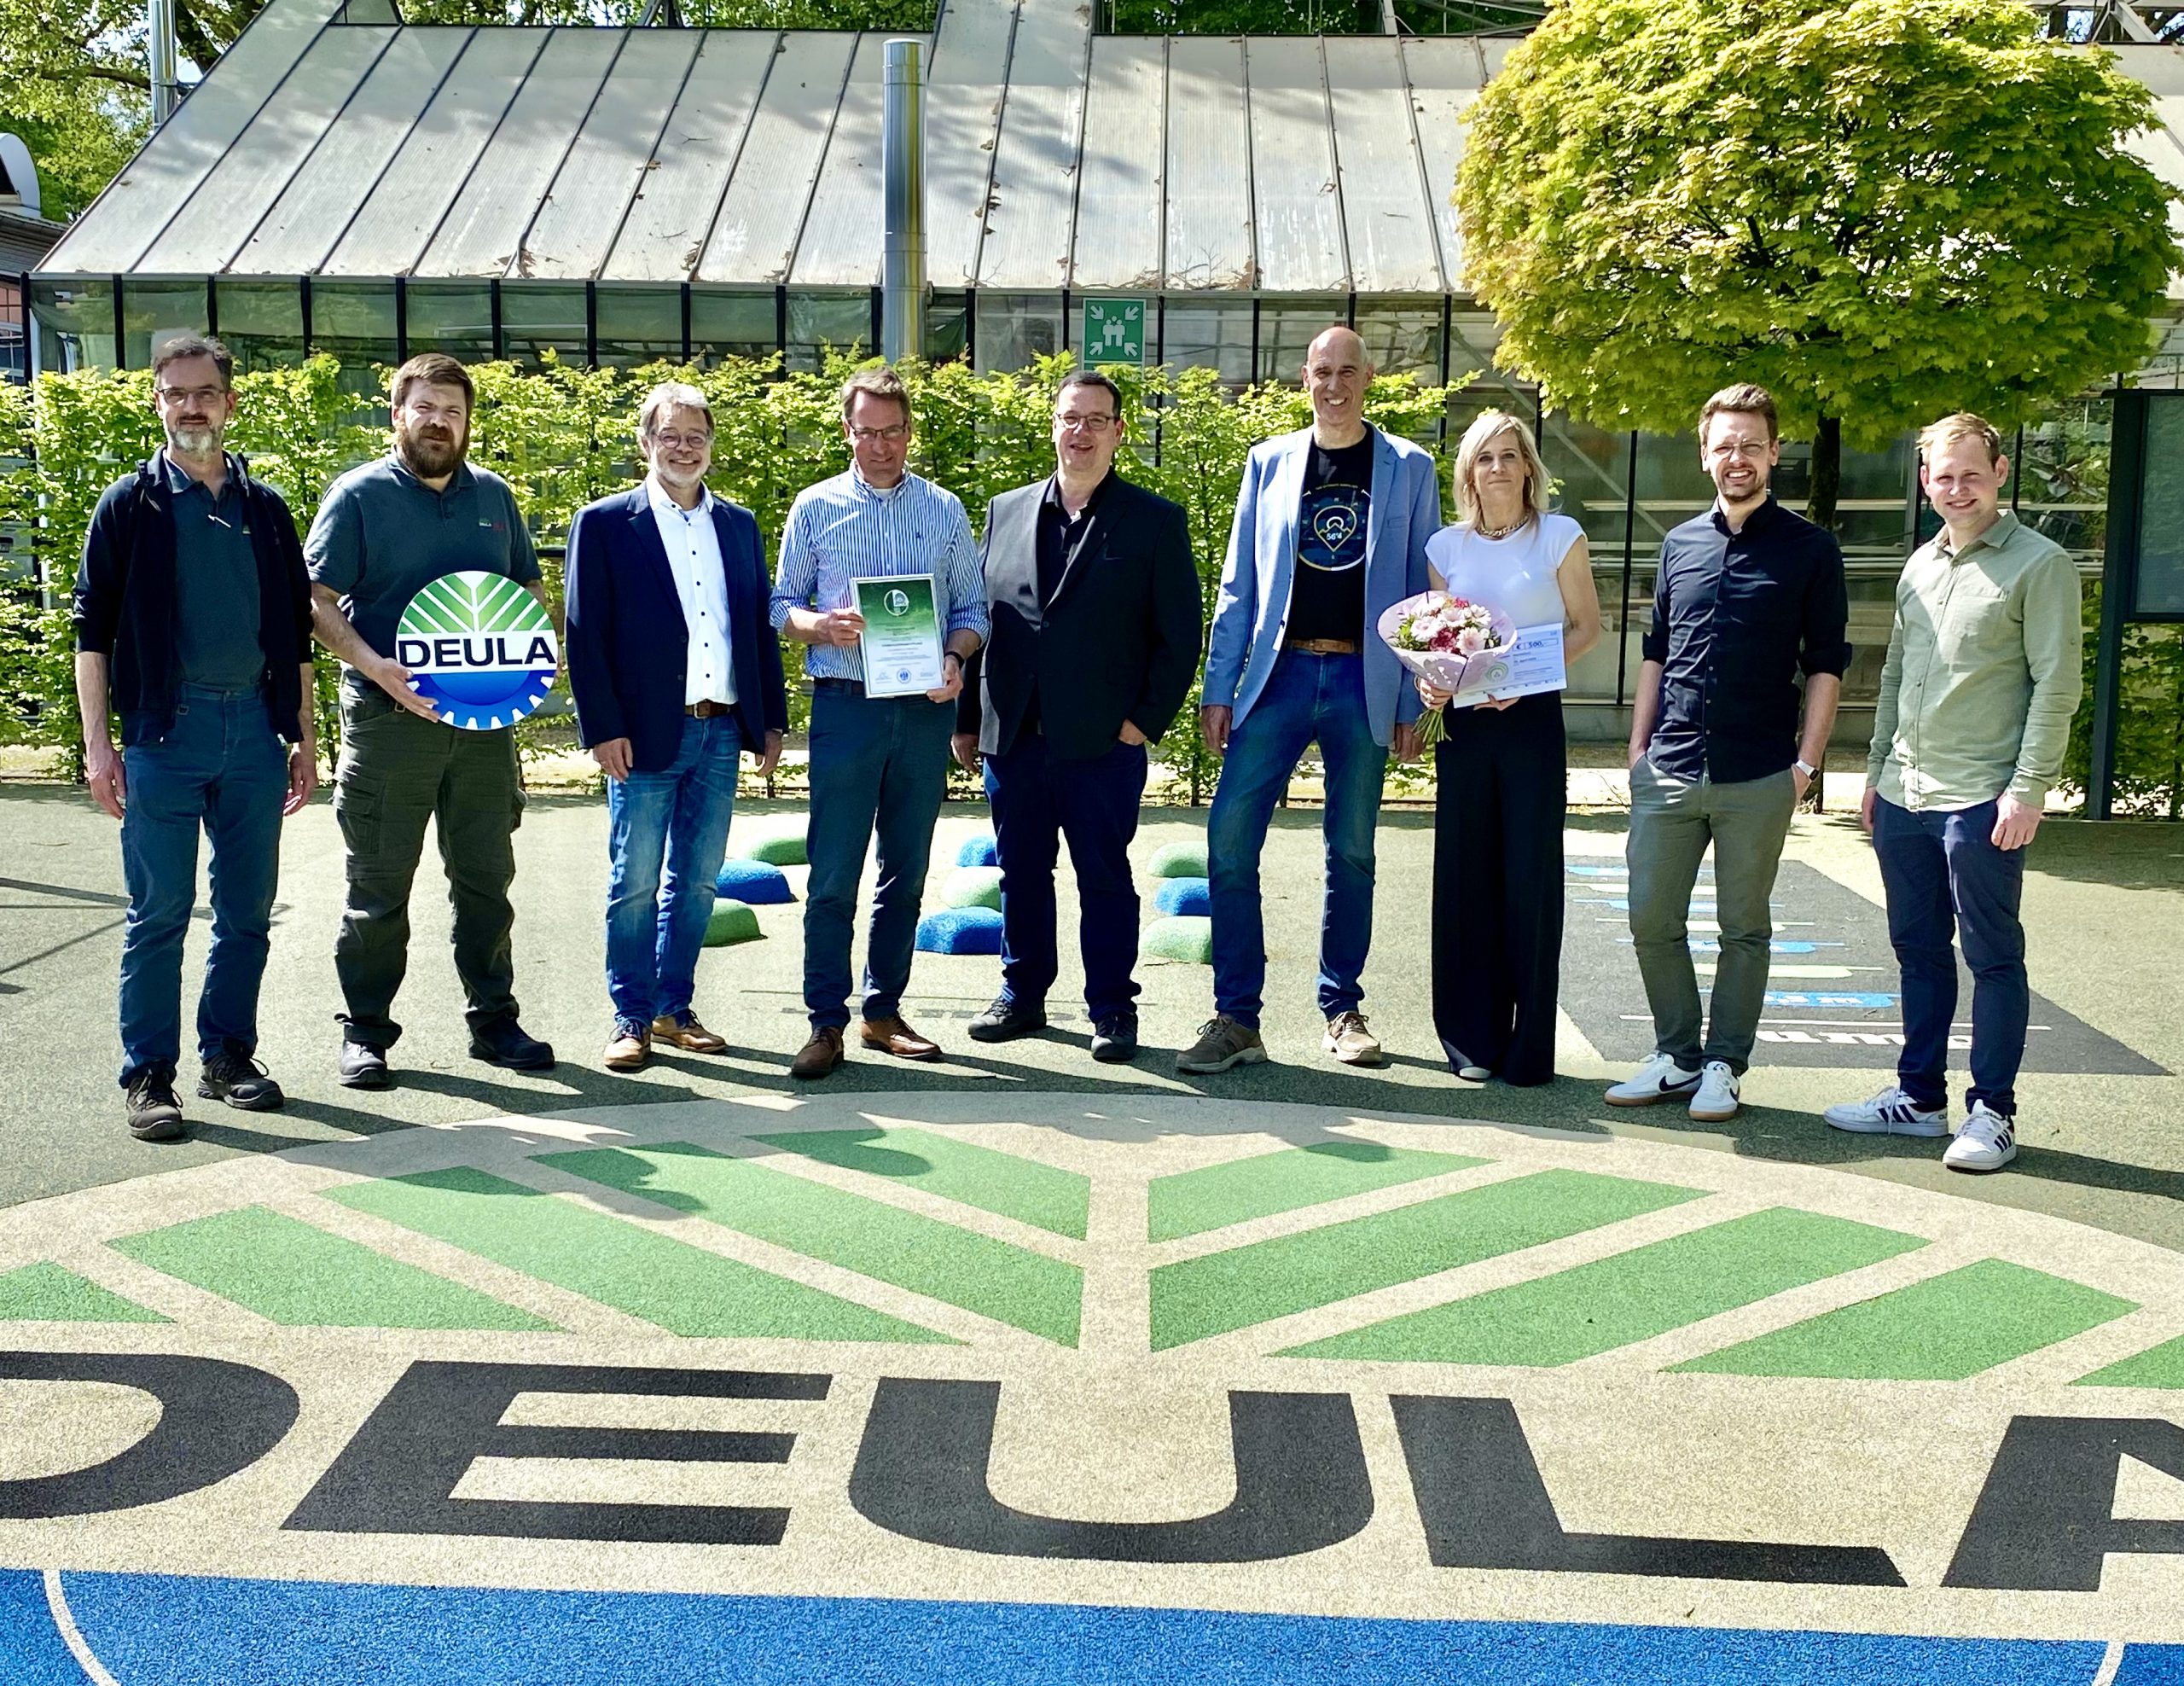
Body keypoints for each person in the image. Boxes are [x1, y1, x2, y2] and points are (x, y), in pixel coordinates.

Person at [72, 334, 317, 1141]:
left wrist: (303, 737)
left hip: (252, 733)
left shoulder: (265, 508)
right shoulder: (129, 504)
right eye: (175, 393)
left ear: (229, 402)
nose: (191, 406)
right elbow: (92, 634)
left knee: (246, 912)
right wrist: (100, 747)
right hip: (163, 736)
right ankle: (149, 1076)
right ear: (158, 404)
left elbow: (295, 634)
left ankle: (228, 1058)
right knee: (159, 915)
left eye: (205, 392)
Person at [1824, 413, 2082, 1172]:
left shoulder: (2042, 565)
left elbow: (2056, 685)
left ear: (2000, 473)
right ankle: (1919, 1099)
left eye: (1972, 474)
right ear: (1924, 482)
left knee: (1993, 956)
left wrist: (2028, 788)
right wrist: (1875, 773)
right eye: (1944, 476)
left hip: (1983, 797)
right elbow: (1896, 675)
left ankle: (1992, 1113)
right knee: (1917, 950)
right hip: (1905, 793)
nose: (1957, 489)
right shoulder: (1919, 565)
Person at [1179, 324, 1438, 1076]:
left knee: (1352, 850)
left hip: (1365, 678)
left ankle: (1341, 1008)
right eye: (1323, 371)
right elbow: (1239, 585)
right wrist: (1219, 687)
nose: (1335, 384)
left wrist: (1414, 699)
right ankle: (1237, 1018)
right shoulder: (1269, 462)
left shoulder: (1410, 467)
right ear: (1305, 378)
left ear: (1368, 379)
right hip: (1278, 675)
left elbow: (1422, 591)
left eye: (1348, 371)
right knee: (1229, 842)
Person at [305, 352, 556, 1089]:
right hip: (390, 722)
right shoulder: (359, 496)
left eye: (452, 410)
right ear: (397, 415)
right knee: (379, 886)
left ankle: (495, 1022)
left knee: (486, 881)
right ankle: (366, 1031)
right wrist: (373, 664)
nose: (439, 422)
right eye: (425, 408)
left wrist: (524, 655)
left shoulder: (494, 496)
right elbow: (315, 599)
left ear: (468, 421)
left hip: (482, 729)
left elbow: (527, 587)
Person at [1607, 382, 1850, 1123]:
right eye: (1724, 446)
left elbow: (1826, 664)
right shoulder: (1678, 545)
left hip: (1760, 772)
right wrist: (1639, 748)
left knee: (1744, 929)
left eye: (1751, 445)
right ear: (1705, 455)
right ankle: (1677, 1055)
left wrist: (1805, 766)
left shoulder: (1811, 549)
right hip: (1669, 768)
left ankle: (1724, 1064)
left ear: (1774, 453)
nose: (1737, 458)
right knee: (1651, 919)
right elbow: (1657, 652)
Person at [951, 370, 1201, 1064]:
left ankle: (1113, 1007)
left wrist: (1143, 722)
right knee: (1021, 873)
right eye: (1070, 418)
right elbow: (980, 619)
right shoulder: (1004, 511)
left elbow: (1179, 636)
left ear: (1118, 431)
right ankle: (1022, 993)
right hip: (1014, 737)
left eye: (1096, 420)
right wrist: (968, 720)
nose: (1081, 431)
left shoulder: (1154, 521)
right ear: (1053, 426)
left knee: (1105, 878)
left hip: (1103, 742)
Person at [565, 381, 787, 1073]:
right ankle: (630, 1016)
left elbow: (756, 628)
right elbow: (585, 634)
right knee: (634, 882)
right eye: (670, 436)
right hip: (640, 736)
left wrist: (770, 721)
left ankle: (673, 1008)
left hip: (720, 731)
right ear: (646, 443)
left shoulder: (739, 526)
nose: (684, 449)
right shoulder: (604, 523)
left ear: (711, 447)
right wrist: (602, 728)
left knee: (697, 883)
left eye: (696, 437)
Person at [770, 367, 986, 1079]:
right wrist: (819, 626)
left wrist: (955, 658)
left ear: (909, 432)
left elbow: (972, 611)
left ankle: (883, 1011)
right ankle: (824, 1022)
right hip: (846, 706)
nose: (882, 445)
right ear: (847, 431)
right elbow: (780, 605)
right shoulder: (814, 507)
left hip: (923, 711)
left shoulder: (944, 510)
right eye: (868, 432)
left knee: (907, 871)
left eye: (894, 432)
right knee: (834, 871)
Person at [1417, 410, 1601, 1086]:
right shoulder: (1445, 547)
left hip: (1531, 723)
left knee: (1529, 879)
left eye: (1509, 456)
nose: (1497, 468)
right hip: (1466, 726)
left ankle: (1528, 1049)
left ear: (1529, 467)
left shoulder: (1560, 535)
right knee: (1465, 877)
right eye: (1484, 458)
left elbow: (1587, 627)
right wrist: (1434, 682)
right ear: (1469, 472)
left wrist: (1523, 678)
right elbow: (1435, 640)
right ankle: (1470, 1040)